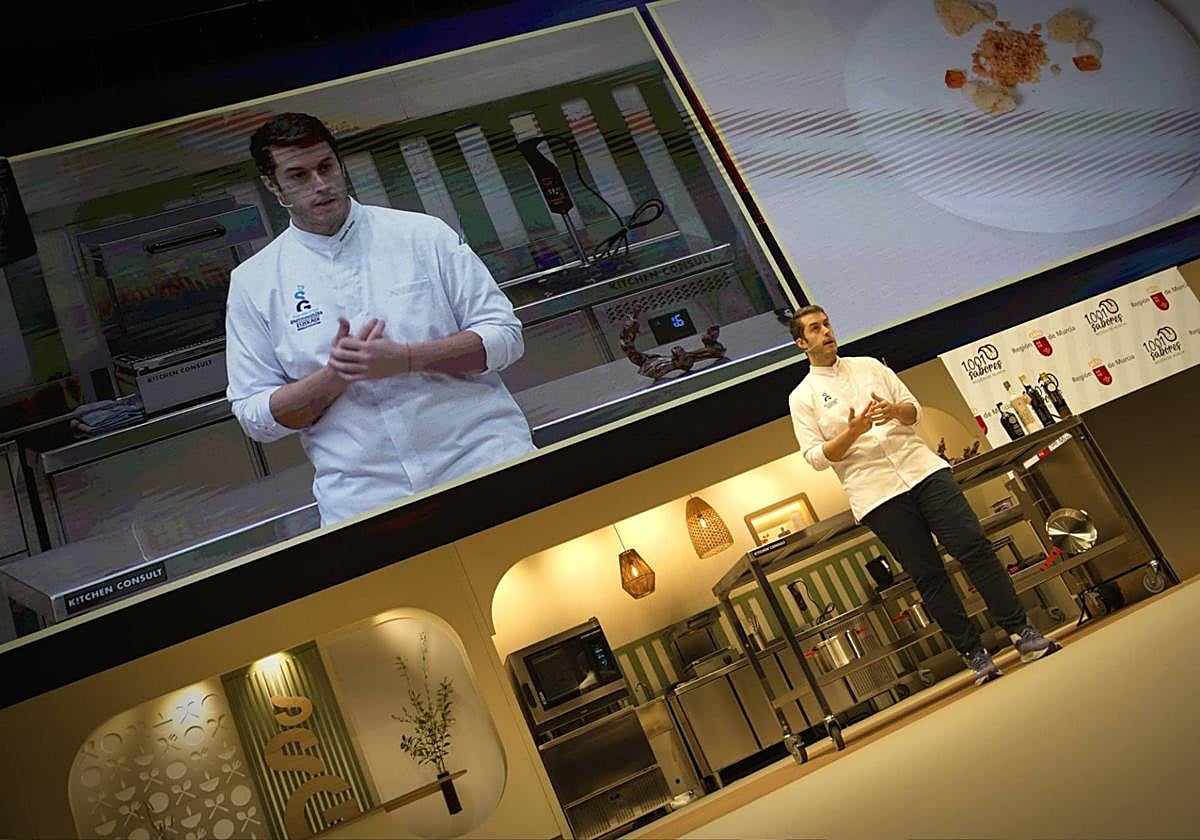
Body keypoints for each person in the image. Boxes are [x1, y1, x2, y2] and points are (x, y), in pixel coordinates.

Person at [225, 113, 535, 526]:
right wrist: (335, 375)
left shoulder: (422, 235)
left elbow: (505, 337)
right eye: (298, 176)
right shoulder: (254, 283)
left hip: (485, 464)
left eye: (326, 167)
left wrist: (407, 358)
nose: (320, 184)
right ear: (272, 184)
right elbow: (255, 416)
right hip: (364, 504)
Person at [787, 305, 1061, 684]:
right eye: (815, 329)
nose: (826, 332)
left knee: (975, 547)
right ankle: (974, 654)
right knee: (929, 574)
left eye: (827, 324)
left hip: (923, 470)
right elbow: (816, 458)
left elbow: (913, 411)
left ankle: (1021, 632)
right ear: (802, 343)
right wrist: (853, 431)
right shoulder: (802, 397)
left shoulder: (870, 366)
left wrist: (894, 411)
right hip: (877, 494)